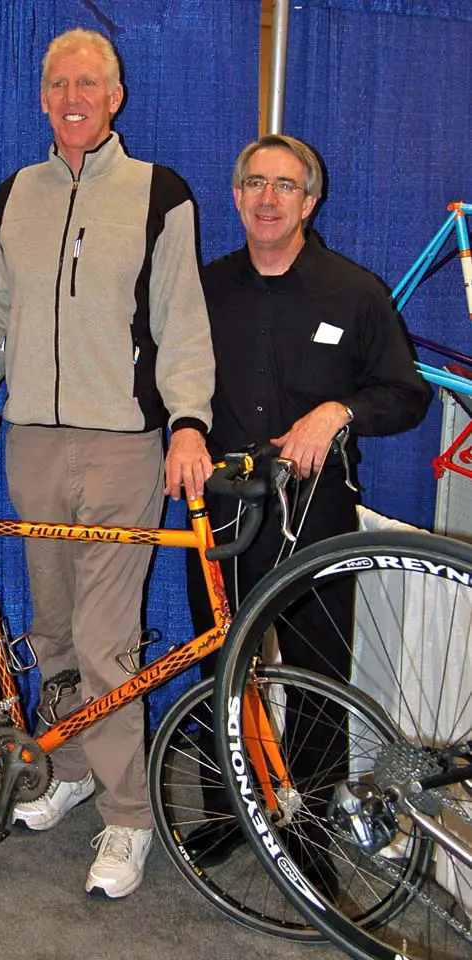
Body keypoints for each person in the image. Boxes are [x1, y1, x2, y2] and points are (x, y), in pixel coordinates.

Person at [0, 28, 214, 898]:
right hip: (31, 441)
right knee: (52, 627)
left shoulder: (159, 194)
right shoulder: (12, 194)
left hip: (124, 446)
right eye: (57, 82)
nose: (72, 96)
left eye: (88, 82)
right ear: (42, 97)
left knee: (105, 642)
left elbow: (182, 326)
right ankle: (65, 770)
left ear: (116, 95)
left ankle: (129, 818)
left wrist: (186, 425)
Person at [184, 134, 432, 883]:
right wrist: (182, 428)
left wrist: (340, 410)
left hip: (316, 515)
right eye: (255, 183)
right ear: (236, 196)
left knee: (320, 674)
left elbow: (406, 396)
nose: (268, 198)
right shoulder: (202, 288)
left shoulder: (353, 291)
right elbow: (169, 379)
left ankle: (309, 830)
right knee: (220, 668)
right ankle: (227, 810)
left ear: (310, 201)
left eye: (285, 186)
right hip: (223, 511)